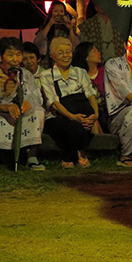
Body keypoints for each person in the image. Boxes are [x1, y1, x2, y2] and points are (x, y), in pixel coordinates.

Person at [0, 37, 46, 172]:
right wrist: (2, 107)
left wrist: (27, 103)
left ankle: (32, 155)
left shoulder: (26, 75)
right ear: (0, 56)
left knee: (38, 111)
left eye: (18, 55)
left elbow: (36, 97)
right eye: (10, 55)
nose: (15, 59)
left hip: (19, 115)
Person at [40, 37, 98, 168]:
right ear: (53, 56)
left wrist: (95, 115)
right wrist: (72, 117)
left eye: (68, 52)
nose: (65, 56)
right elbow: (53, 102)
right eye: (61, 53)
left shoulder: (80, 72)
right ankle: (71, 156)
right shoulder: (46, 75)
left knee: (87, 115)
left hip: (80, 112)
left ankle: (80, 152)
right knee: (75, 127)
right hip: (56, 116)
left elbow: (90, 94)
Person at [72, 42, 107, 132]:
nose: (98, 53)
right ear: (86, 57)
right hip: (88, 112)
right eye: (94, 51)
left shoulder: (105, 71)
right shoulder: (79, 75)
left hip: (106, 111)